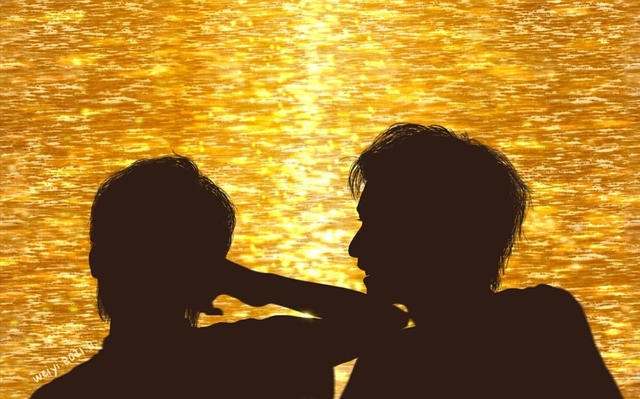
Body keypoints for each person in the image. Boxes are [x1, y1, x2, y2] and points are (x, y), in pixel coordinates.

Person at [31, 154, 406, 399]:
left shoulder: (67, 395)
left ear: (98, 261)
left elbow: (384, 321)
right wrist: (252, 285)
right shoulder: (267, 353)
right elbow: (382, 320)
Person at [340, 123, 622, 398]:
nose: (356, 247)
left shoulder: (542, 322)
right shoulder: (545, 321)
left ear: (438, 233)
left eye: (380, 225)